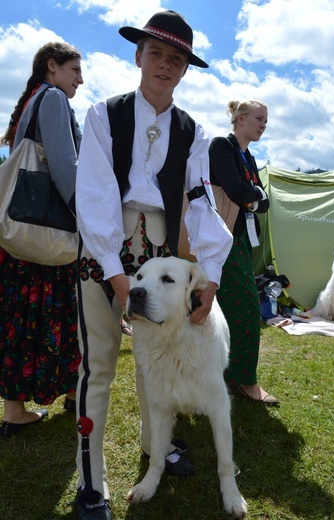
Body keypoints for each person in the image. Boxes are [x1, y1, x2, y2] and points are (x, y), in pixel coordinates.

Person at [73, 10, 232, 520]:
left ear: (186, 69)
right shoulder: (104, 113)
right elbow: (94, 194)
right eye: (156, 53)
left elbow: (203, 203)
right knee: (98, 367)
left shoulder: (194, 131)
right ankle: (91, 483)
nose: (165, 64)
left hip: (157, 257)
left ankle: (156, 449)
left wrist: (210, 278)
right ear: (138, 55)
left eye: (177, 58)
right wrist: (114, 273)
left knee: (153, 367)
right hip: (103, 252)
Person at [0, 42, 83, 437]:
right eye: (74, 70)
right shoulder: (52, 98)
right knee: (59, 311)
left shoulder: (31, 100)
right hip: (48, 230)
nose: (80, 80)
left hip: (21, 231)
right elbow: (65, 167)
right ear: (53, 67)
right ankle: (69, 390)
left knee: (22, 317)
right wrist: (86, 216)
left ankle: (19, 406)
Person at [209, 99, 279, 405]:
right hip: (219, 237)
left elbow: (264, 202)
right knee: (247, 307)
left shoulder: (248, 156)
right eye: (259, 118)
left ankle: (226, 376)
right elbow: (238, 191)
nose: (263, 124)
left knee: (227, 308)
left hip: (238, 239)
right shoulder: (221, 147)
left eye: (266, 120)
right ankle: (245, 381)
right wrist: (251, 196)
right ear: (239, 119)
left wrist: (250, 197)